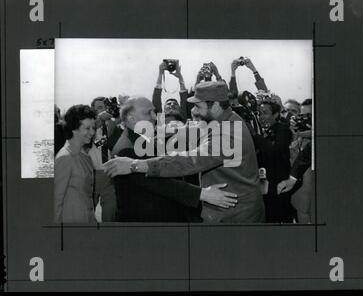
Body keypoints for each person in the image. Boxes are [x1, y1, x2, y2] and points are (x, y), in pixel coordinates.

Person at [104, 81, 265, 223]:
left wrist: (135, 165)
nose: (193, 111)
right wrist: (161, 129)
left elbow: (191, 160)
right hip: (226, 209)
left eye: (198, 106)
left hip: (236, 216)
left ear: (215, 106)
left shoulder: (228, 133)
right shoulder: (225, 119)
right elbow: (193, 129)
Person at [111, 96, 238, 222]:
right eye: (148, 113)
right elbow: (160, 184)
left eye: (154, 111)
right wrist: (202, 194)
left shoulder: (142, 140)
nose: (155, 117)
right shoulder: (126, 150)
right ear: (132, 119)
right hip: (145, 225)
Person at [253, 99, 294, 223]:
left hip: (279, 184)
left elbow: (274, 151)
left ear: (276, 115)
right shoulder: (263, 130)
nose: (261, 117)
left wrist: (256, 137)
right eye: (259, 113)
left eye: (265, 113)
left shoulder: (283, 129)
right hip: (265, 183)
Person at [54, 105, 96, 223]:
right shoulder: (65, 158)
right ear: (74, 128)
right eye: (87, 128)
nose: (92, 132)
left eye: (93, 127)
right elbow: (56, 201)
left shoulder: (84, 156)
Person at [87, 97, 118, 222]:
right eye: (94, 110)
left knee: (110, 214)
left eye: (100, 108)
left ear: (107, 108)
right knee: (87, 213)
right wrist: (99, 119)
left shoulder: (114, 124)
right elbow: (96, 142)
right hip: (92, 174)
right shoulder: (90, 127)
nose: (97, 111)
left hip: (111, 173)